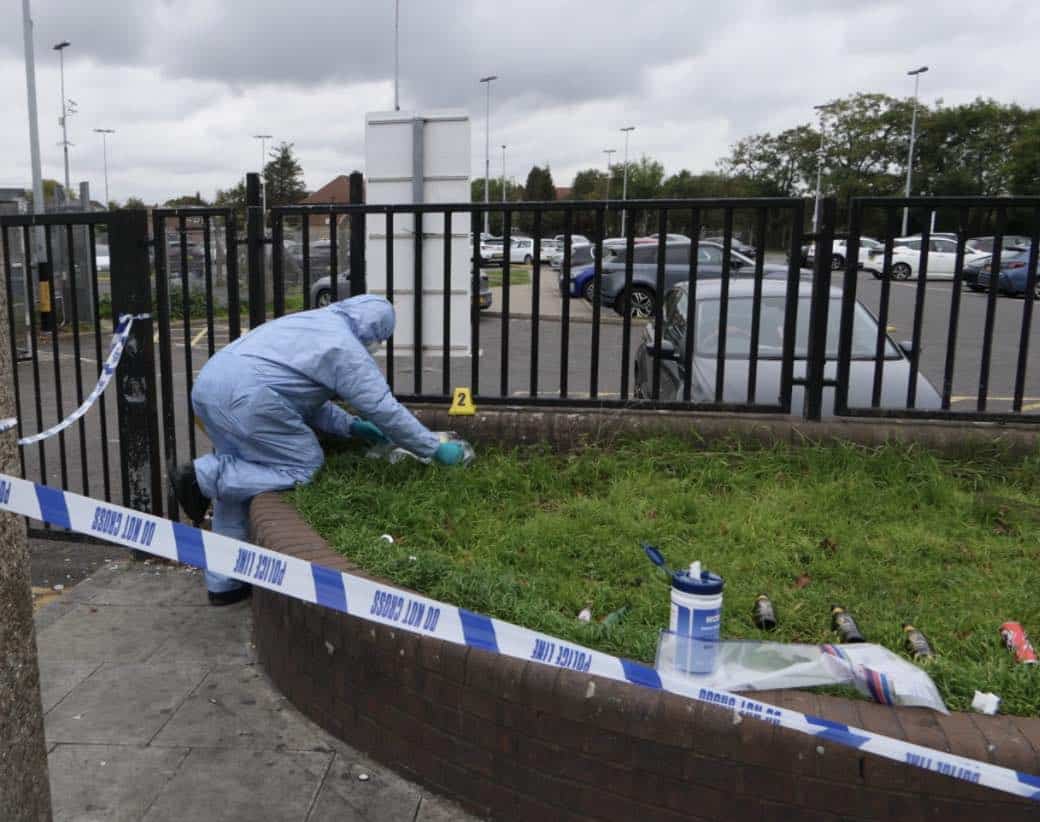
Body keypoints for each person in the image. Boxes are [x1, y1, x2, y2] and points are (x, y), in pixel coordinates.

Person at [168, 294, 467, 605]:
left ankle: (224, 585)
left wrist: (351, 426)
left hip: (209, 387)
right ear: (374, 329)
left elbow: (300, 397)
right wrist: (433, 449)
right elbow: (383, 408)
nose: (378, 344)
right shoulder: (344, 347)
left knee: (238, 483)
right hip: (246, 399)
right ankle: (201, 476)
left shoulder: (311, 322)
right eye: (381, 338)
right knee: (304, 464)